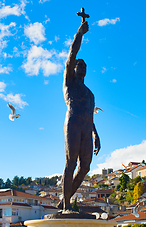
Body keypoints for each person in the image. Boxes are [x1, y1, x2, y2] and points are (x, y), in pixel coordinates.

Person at [60, 21, 100, 211]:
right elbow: (72, 53)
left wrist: (96, 135)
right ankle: (67, 203)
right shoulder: (69, 82)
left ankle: (65, 198)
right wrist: (80, 33)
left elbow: (91, 117)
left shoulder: (90, 94)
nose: (82, 66)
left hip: (86, 127)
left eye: (85, 65)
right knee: (71, 163)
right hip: (73, 124)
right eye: (79, 64)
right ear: (74, 68)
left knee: (85, 167)